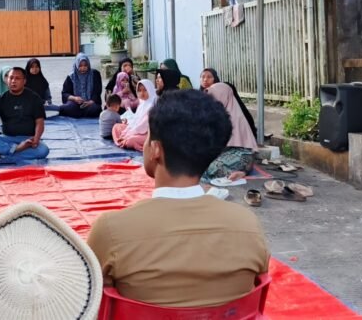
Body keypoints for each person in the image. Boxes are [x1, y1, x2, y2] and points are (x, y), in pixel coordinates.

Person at [87, 90, 270, 307]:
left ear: (155, 149)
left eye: (148, 137)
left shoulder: (111, 231)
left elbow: (90, 304)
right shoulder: (248, 226)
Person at [0, 67, 49, 161]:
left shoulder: (34, 98)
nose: (13, 81)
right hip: (7, 138)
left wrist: (36, 139)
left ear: (24, 81)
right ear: (7, 80)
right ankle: (16, 150)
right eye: (11, 78)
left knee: (43, 150)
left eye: (17, 78)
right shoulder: (0, 100)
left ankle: (3, 156)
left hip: (27, 140)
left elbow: (39, 122)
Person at [203, 83, 260, 182]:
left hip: (240, 154)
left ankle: (241, 172)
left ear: (224, 96)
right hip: (222, 152)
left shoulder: (235, 117)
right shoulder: (216, 113)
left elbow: (224, 144)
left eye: (215, 97)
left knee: (211, 168)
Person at [201, 69, 257, 138]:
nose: (205, 80)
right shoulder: (201, 94)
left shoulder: (222, 91)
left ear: (215, 79)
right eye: (202, 77)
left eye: (209, 77)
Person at [111, 80, 157, 151]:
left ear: (150, 90)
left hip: (148, 135)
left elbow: (141, 127)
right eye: (140, 90)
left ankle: (124, 140)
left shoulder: (152, 106)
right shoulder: (142, 105)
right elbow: (135, 122)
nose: (142, 93)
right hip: (136, 131)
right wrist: (125, 133)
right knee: (116, 127)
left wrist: (127, 135)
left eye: (145, 90)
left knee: (131, 140)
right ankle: (123, 140)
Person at [60, 53, 103, 118]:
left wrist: (91, 101)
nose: (83, 68)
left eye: (85, 65)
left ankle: (78, 114)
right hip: (75, 103)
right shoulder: (71, 76)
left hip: (90, 103)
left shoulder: (95, 74)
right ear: (76, 65)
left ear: (88, 64)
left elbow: (97, 91)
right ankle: (80, 113)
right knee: (67, 108)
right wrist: (74, 98)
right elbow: (65, 93)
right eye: (80, 66)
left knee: (95, 109)